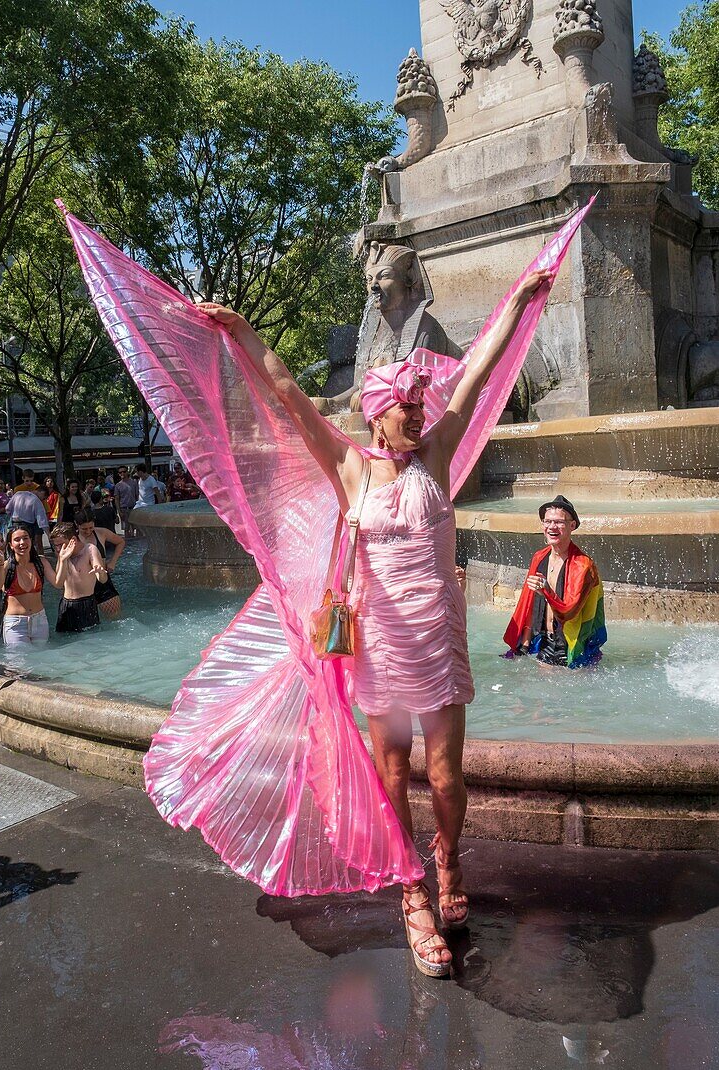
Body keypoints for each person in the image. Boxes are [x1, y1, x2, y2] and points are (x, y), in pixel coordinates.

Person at [195, 267, 553, 978]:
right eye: (408, 407)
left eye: (422, 405)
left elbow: (479, 370)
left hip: (437, 639)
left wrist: (515, 302)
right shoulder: (349, 468)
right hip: (382, 648)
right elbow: (288, 392)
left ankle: (448, 862)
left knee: (447, 779)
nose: (420, 413)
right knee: (392, 775)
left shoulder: (439, 453)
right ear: (377, 414)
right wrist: (239, 331)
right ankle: (411, 889)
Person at [503, 495, 607, 668]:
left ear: (572, 525)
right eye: (547, 521)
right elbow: (528, 603)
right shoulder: (539, 557)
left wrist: (546, 590)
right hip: (545, 642)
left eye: (559, 522)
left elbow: (570, 611)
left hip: (572, 646)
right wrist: (525, 643)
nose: (552, 527)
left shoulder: (583, 565)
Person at [0, 524, 68, 649]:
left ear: (31, 540)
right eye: (17, 540)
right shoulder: (6, 566)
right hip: (15, 624)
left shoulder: (41, 562)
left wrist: (63, 560)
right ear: (10, 545)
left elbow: (58, 584)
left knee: (41, 660)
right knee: (19, 664)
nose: (22, 542)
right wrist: (0, 561)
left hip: (40, 621)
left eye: (25, 538)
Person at [49, 522, 107, 633]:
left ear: (73, 540)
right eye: (55, 545)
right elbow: (59, 584)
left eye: (61, 544)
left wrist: (100, 572)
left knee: (89, 640)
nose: (57, 549)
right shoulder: (62, 555)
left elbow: (102, 579)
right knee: (63, 640)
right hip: (66, 604)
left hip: (85, 604)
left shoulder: (89, 550)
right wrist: (62, 560)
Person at [75, 508, 124, 618]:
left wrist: (113, 562)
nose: (88, 531)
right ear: (76, 525)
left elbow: (120, 542)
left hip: (103, 582)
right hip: (83, 584)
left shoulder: (101, 532)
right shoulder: (72, 539)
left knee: (115, 619)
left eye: (90, 527)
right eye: (84, 529)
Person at [113, 467, 138, 531]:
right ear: (118, 474)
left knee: (136, 528)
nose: (122, 473)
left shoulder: (134, 483)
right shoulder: (117, 485)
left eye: (124, 471)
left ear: (127, 472)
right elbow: (117, 499)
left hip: (133, 508)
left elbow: (137, 496)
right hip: (124, 510)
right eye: (120, 472)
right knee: (126, 529)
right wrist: (119, 512)